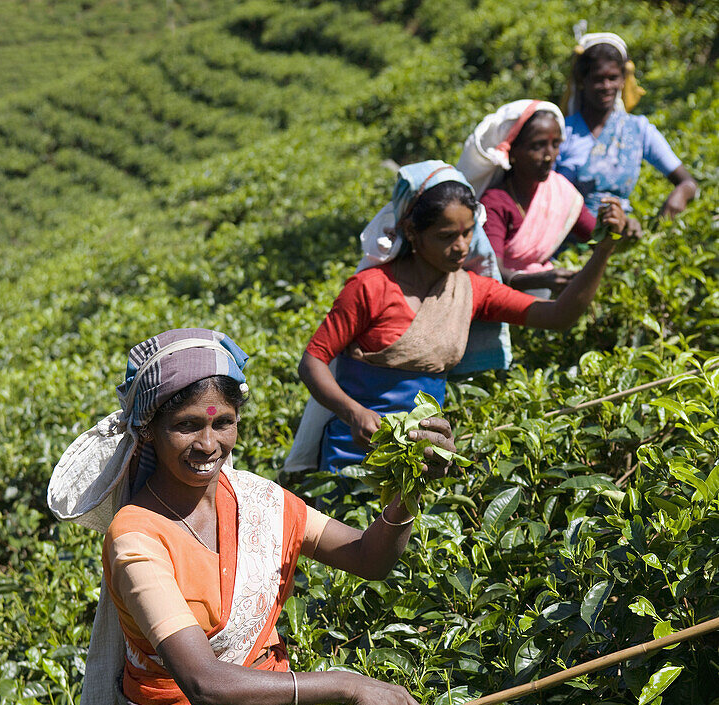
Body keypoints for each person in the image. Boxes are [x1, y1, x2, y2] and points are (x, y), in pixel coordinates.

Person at [48, 328, 455, 705]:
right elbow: (203, 681)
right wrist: (347, 684)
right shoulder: (136, 539)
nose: (207, 444)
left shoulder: (256, 499)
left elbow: (368, 558)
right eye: (187, 425)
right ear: (149, 431)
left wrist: (409, 488)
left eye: (223, 422)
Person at [294, 159, 629, 472]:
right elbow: (312, 360)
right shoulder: (370, 288)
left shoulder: (471, 291)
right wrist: (354, 413)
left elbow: (557, 316)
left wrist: (604, 250)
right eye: (446, 236)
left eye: (468, 232)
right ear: (412, 232)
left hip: (424, 456)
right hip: (352, 455)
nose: (461, 246)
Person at [458, 99, 625, 297]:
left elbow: (596, 238)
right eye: (537, 146)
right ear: (512, 153)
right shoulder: (496, 202)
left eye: (555, 145)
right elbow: (491, 272)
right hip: (498, 301)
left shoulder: (560, 192)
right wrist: (540, 280)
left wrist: (613, 226)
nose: (549, 155)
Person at [556, 31, 698, 221]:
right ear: (583, 81)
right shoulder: (563, 132)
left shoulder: (637, 130)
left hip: (621, 233)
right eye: (598, 79)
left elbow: (687, 181)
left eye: (613, 77)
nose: (606, 86)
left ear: (623, 80)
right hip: (565, 238)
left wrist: (681, 194)